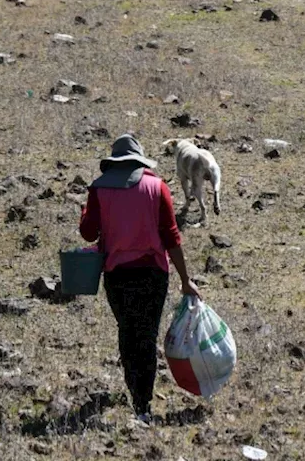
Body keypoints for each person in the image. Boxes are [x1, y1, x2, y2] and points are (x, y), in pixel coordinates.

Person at [80, 134, 199, 424]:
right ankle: (142, 403)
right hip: (152, 273)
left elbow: (88, 233)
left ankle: (135, 388)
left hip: (116, 274)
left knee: (127, 330)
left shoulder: (99, 189)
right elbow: (171, 237)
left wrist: (85, 211)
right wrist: (186, 279)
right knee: (146, 335)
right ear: (140, 161)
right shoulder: (157, 187)